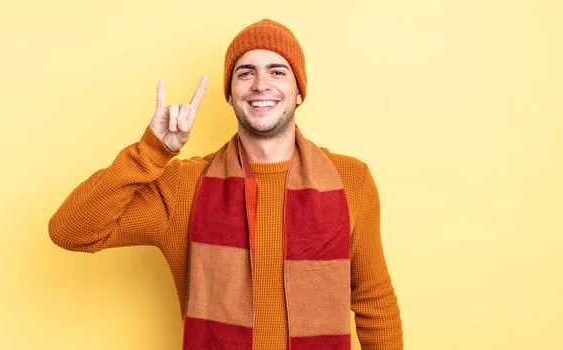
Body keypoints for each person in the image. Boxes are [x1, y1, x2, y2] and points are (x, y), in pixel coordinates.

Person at [49, 19, 403, 350]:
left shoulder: (351, 180)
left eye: (277, 72)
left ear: (298, 93)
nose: (261, 84)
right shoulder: (184, 185)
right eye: (245, 73)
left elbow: (374, 300)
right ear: (231, 95)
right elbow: (71, 231)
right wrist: (151, 152)